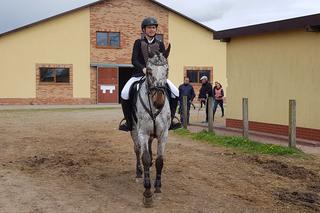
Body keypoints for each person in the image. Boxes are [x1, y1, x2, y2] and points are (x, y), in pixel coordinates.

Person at [119, 17, 181, 131]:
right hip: (139, 74)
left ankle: (171, 120)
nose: (152, 29)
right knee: (124, 93)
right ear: (144, 30)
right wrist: (143, 68)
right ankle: (128, 122)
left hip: (157, 76)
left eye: (153, 27)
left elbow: (163, 60)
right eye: (149, 28)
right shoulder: (138, 43)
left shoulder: (160, 44)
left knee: (175, 92)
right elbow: (134, 60)